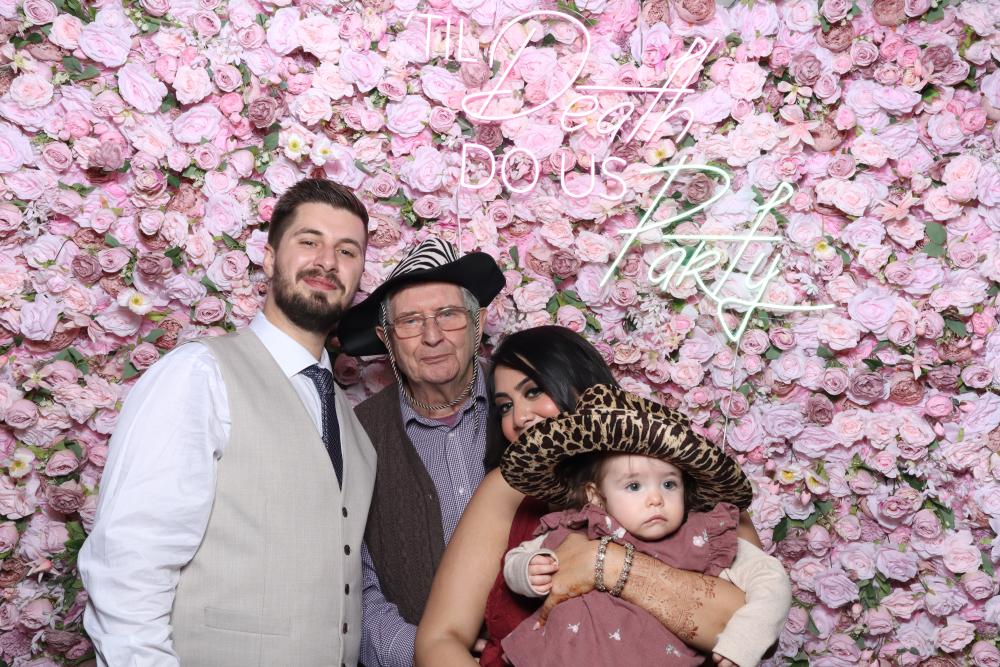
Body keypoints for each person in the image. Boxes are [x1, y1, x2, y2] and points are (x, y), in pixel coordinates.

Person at [79, 179, 376, 667]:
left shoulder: (353, 425)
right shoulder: (199, 374)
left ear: (359, 274)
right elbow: (129, 565)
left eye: (347, 251)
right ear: (269, 258)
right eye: (309, 241)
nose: (327, 261)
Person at [415, 326, 768, 667]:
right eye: (505, 406)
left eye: (534, 391)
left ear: (584, 388)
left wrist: (603, 562)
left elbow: (748, 627)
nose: (519, 418)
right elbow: (438, 640)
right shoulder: (507, 490)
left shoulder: (679, 478)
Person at [499, 384, 792, 667]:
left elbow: (772, 579)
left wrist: (744, 642)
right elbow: (517, 558)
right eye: (634, 486)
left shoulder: (703, 536)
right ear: (596, 496)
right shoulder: (581, 525)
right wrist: (528, 570)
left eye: (669, 484)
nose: (655, 499)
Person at [337, 238, 505, 667]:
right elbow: (352, 583)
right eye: (410, 321)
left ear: (478, 322)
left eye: (448, 315)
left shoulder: (526, 405)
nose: (432, 337)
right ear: (387, 339)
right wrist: (430, 652)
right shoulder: (358, 435)